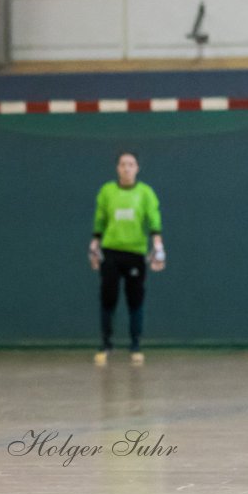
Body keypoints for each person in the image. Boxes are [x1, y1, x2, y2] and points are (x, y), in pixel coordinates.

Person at [88, 151, 165, 365]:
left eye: (131, 164)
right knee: (108, 298)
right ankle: (105, 344)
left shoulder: (145, 193)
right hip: (111, 253)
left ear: (137, 168)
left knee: (135, 300)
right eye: (123, 164)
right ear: (117, 168)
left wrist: (158, 247)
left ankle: (135, 345)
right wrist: (94, 245)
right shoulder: (107, 192)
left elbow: (154, 220)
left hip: (135, 254)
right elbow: (100, 220)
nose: (127, 168)